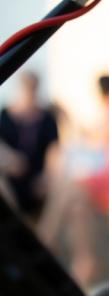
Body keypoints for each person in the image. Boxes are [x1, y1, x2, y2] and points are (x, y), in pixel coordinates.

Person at [39, 74, 109, 285]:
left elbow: (97, 137)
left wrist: (67, 119)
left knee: (72, 185)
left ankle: (45, 240)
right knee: (78, 206)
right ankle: (85, 260)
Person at [0, 71, 59, 220]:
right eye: (25, 87)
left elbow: (53, 150)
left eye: (32, 88)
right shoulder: (5, 115)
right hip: (10, 180)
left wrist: (46, 177)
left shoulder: (47, 118)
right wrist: (10, 160)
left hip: (37, 180)